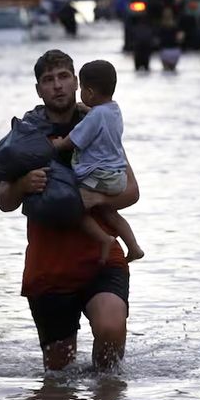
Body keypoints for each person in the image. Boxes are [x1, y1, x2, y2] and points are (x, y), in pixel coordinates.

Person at [0, 49, 139, 372]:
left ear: (77, 82)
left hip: (101, 257)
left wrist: (97, 200)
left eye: (63, 77)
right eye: (48, 80)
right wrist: (23, 185)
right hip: (49, 268)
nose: (57, 86)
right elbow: (5, 200)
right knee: (59, 378)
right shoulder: (26, 133)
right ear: (38, 90)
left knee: (111, 332)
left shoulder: (99, 120)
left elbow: (131, 191)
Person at [49, 60, 143, 265]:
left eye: (82, 88)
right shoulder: (113, 110)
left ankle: (104, 239)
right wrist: (89, 109)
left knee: (75, 203)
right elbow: (100, 119)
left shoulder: (95, 116)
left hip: (99, 176)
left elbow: (74, 139)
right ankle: (134, 247)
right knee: (110, 213)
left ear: (89, 92)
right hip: (116, 176)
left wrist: (57, 144)